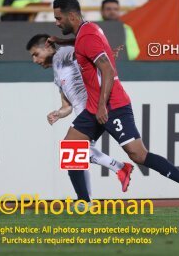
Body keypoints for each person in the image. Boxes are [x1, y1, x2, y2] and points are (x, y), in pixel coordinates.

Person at [52, 0, 179, 211]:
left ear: (71, 16)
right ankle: (84, 203)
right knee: (71, 147)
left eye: (59, 18)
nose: (57, 23)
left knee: (138, 155)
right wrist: (62, 42)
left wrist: (103, 106)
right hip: (95, 107)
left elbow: (107, 69)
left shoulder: (87, 37)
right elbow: (83, 45)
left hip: (111, 106)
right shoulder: (88, 30)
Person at [26, 34, 134, 203]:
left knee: (72, 153)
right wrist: (58, 113)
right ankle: (87, 200)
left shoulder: (63, 54)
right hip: (84, 114)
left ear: (47, 47)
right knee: (75, 162)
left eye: (35, 54)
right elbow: (67, 106)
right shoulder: (56, 72)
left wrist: (106, 54)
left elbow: (85, 51)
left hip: (94, 110)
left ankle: (119, 169)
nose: (34, 60)